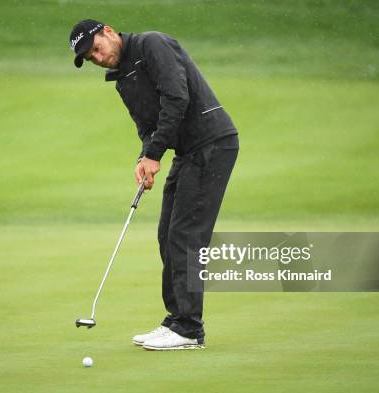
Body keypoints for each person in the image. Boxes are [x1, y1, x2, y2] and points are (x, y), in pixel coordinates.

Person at [69, 19, 239, 350]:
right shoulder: (122, 79)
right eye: (90, 58)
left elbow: (177, 97)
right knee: (167, 234)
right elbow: (146, 124)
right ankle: (177, 321)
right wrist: (145, 157)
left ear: (109, 31)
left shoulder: (152, 44)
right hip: (189, 152)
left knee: (185, 235)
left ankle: (189, 329)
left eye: (97, 49)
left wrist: (155, 152)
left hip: (212, 144)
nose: (98, 58)